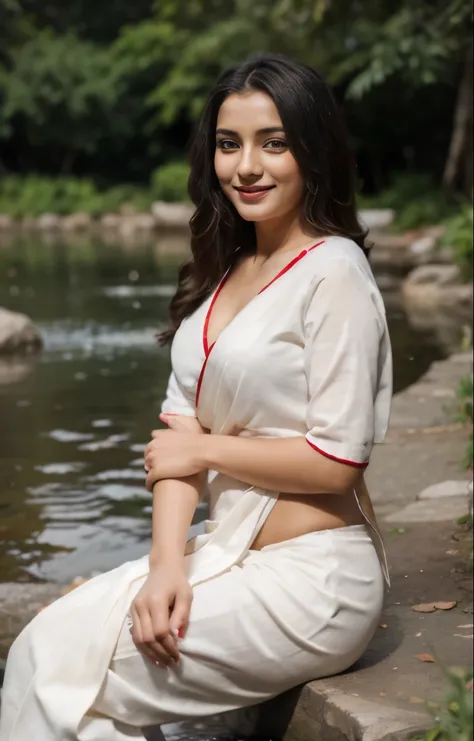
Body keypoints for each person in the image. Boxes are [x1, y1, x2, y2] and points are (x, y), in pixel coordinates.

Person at [0, 52, 392, 741]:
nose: (247, 166)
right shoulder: (225, 272)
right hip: (223, 553)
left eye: (274, 143)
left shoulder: (335, 272)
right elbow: (175, 440)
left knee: (56, 664)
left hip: (316, 581)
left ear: (313, 149)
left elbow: (338, 460)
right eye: (228, 143)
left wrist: (206, 446)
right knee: (45, 645)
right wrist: (165, 566)